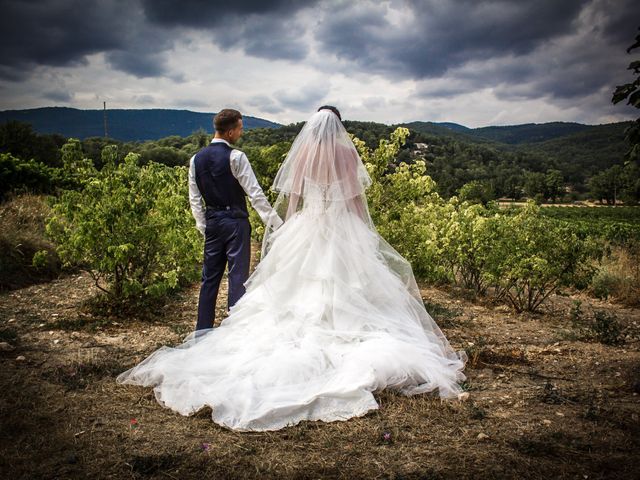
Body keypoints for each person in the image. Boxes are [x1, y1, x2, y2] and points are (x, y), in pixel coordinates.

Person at [117, 106, 468, 431]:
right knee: (350, 285)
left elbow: (295, 196)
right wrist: (365, 231)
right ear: (340, 129)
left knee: (276, 286)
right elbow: (356, 200)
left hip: (305, 224)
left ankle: (209, 329)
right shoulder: (346, 154)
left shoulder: (301, 154)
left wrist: (288, 226)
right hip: (340, 225)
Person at [187, 108, 282, 332]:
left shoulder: (195, 159)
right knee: (237, 277)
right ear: (230, 132)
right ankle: (235, 332)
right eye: (240, 128)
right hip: (235, 222)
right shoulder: (236, 157)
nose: (241, 132)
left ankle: (202, 332)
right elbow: (255, 194)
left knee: (209, 279)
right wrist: (277, 224)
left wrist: (204, 225)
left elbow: (194, 198)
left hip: (212, 221)